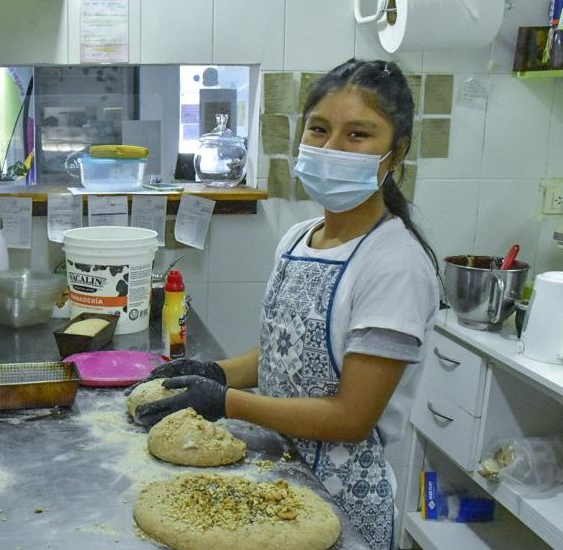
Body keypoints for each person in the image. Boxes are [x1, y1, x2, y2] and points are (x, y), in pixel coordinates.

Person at [131, 59, 439, 549]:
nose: (332, 147)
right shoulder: (299, 238)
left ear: (395, 151)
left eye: (357, 135)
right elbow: (285, 356)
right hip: (278, 474)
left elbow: (351, 417)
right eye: (319, 129)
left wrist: (226, 403)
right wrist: (217, 373)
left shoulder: (396, 264)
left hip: (343, 499)